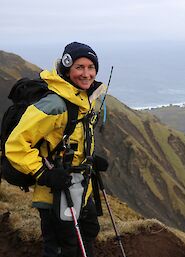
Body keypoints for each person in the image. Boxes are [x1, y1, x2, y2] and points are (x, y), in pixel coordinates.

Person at [5, 42, 108, 257]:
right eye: (80, 67)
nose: (87, 73)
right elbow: (15, 145)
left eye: (91, 67)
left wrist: (89, 159)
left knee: (87, 235)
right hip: (56, 194)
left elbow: (69, 139)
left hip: (81, 188)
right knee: (63, 248)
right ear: (67, 68)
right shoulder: (55, 105)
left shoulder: (82, 98)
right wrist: (44, 173)